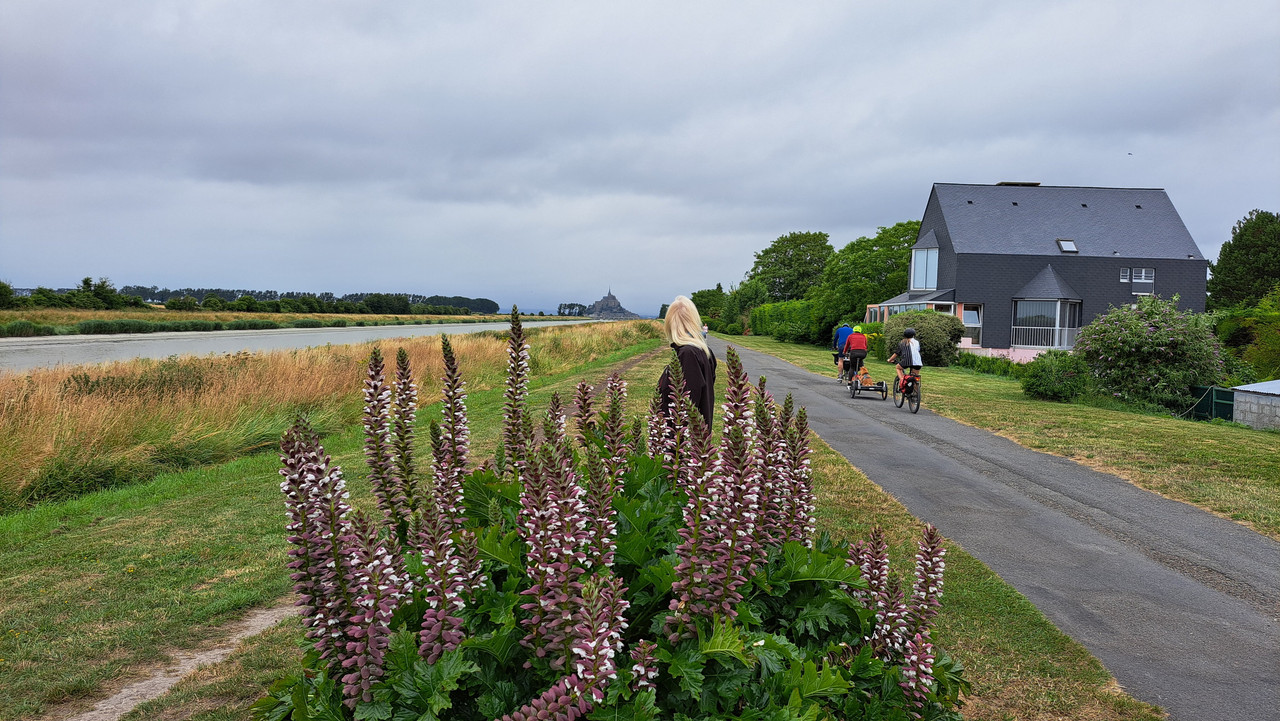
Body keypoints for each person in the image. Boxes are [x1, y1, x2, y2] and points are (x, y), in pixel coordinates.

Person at [658, 296, 718, 427]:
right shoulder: (704, 351)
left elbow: (687, 402)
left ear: (669, 324)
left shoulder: (688, 354)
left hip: (683, 439)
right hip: (696, 436)